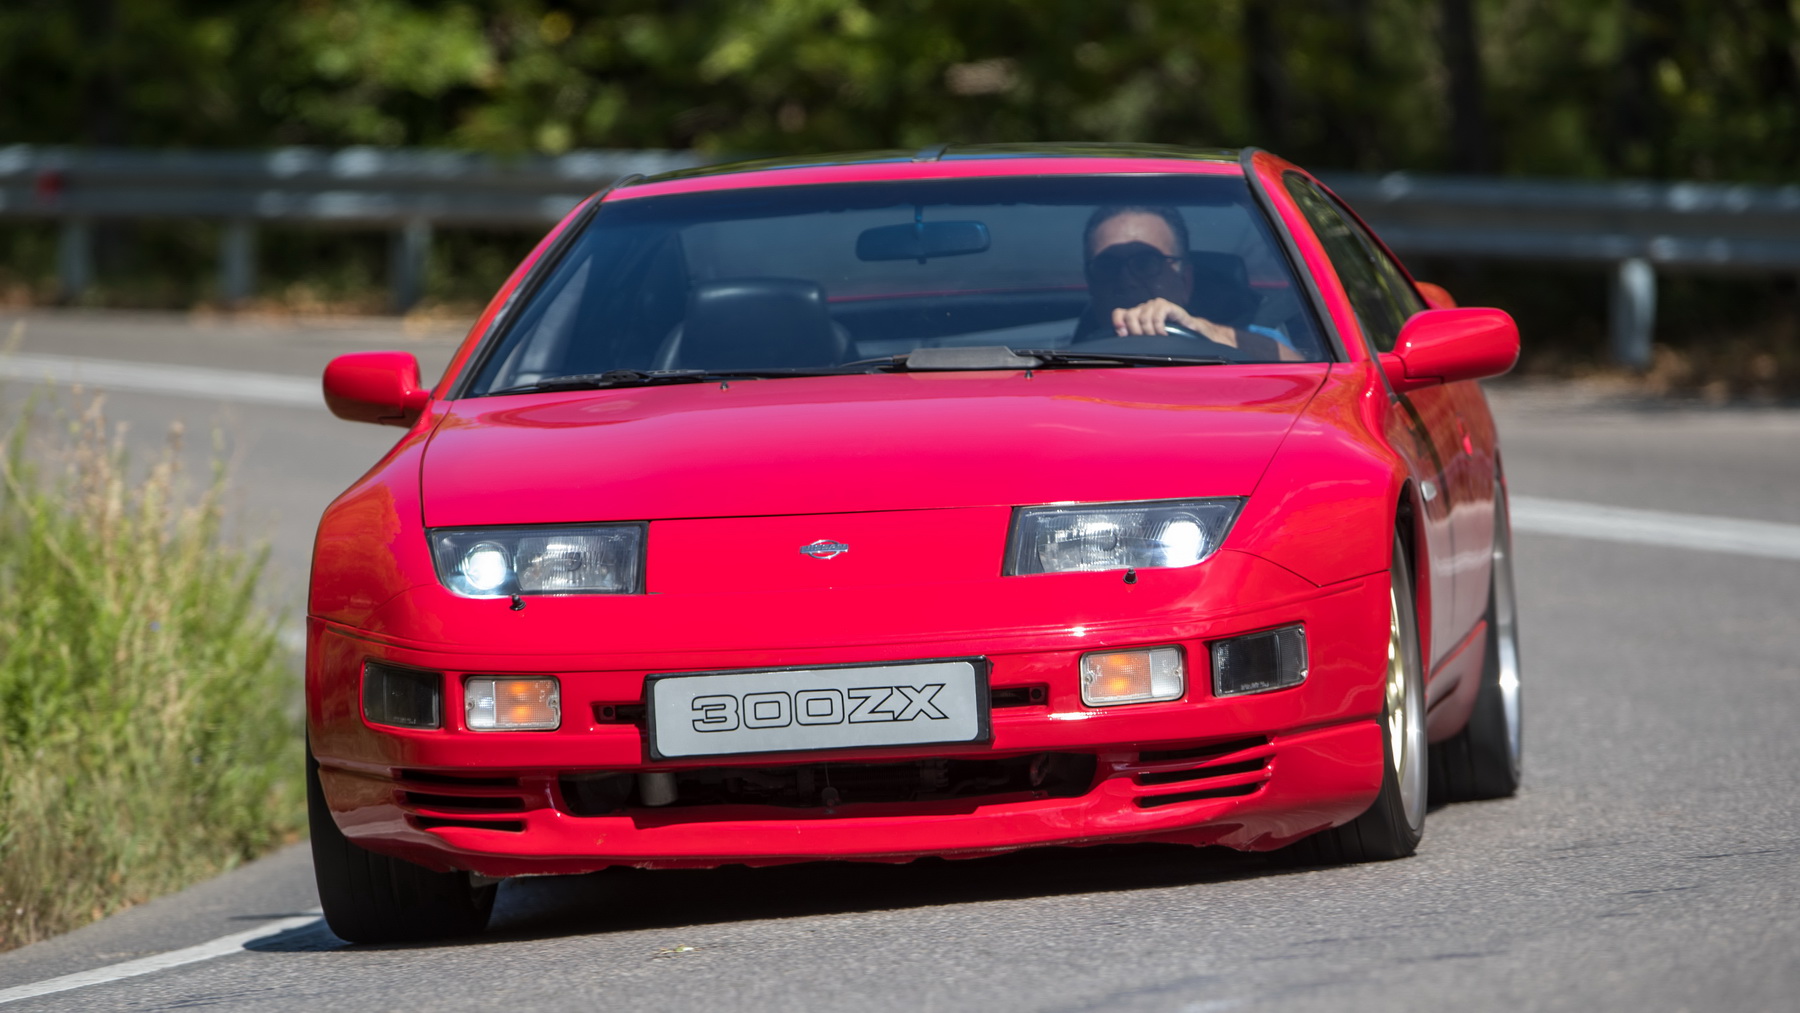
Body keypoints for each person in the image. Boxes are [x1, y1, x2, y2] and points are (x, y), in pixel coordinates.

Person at [1079, 205, 1300, 360]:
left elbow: (1302, 371)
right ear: (1090, 282)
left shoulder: (1249, 339)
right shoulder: (1053, 354)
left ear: (1186, 279)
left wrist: (1203, 330)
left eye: (1146, 263)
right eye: (1107, 266)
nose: (1126, 281)